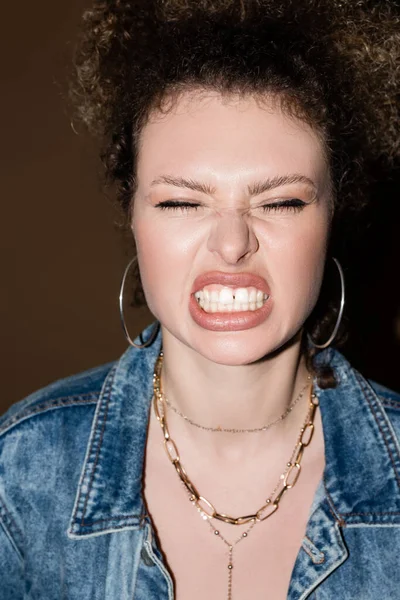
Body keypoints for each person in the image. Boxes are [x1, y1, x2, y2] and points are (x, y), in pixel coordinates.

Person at [1, 1, 399, 599]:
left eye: (282, 201)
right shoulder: (20, 475)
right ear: (133, 218)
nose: (233, 243)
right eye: (182, 203)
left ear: (332, 218)